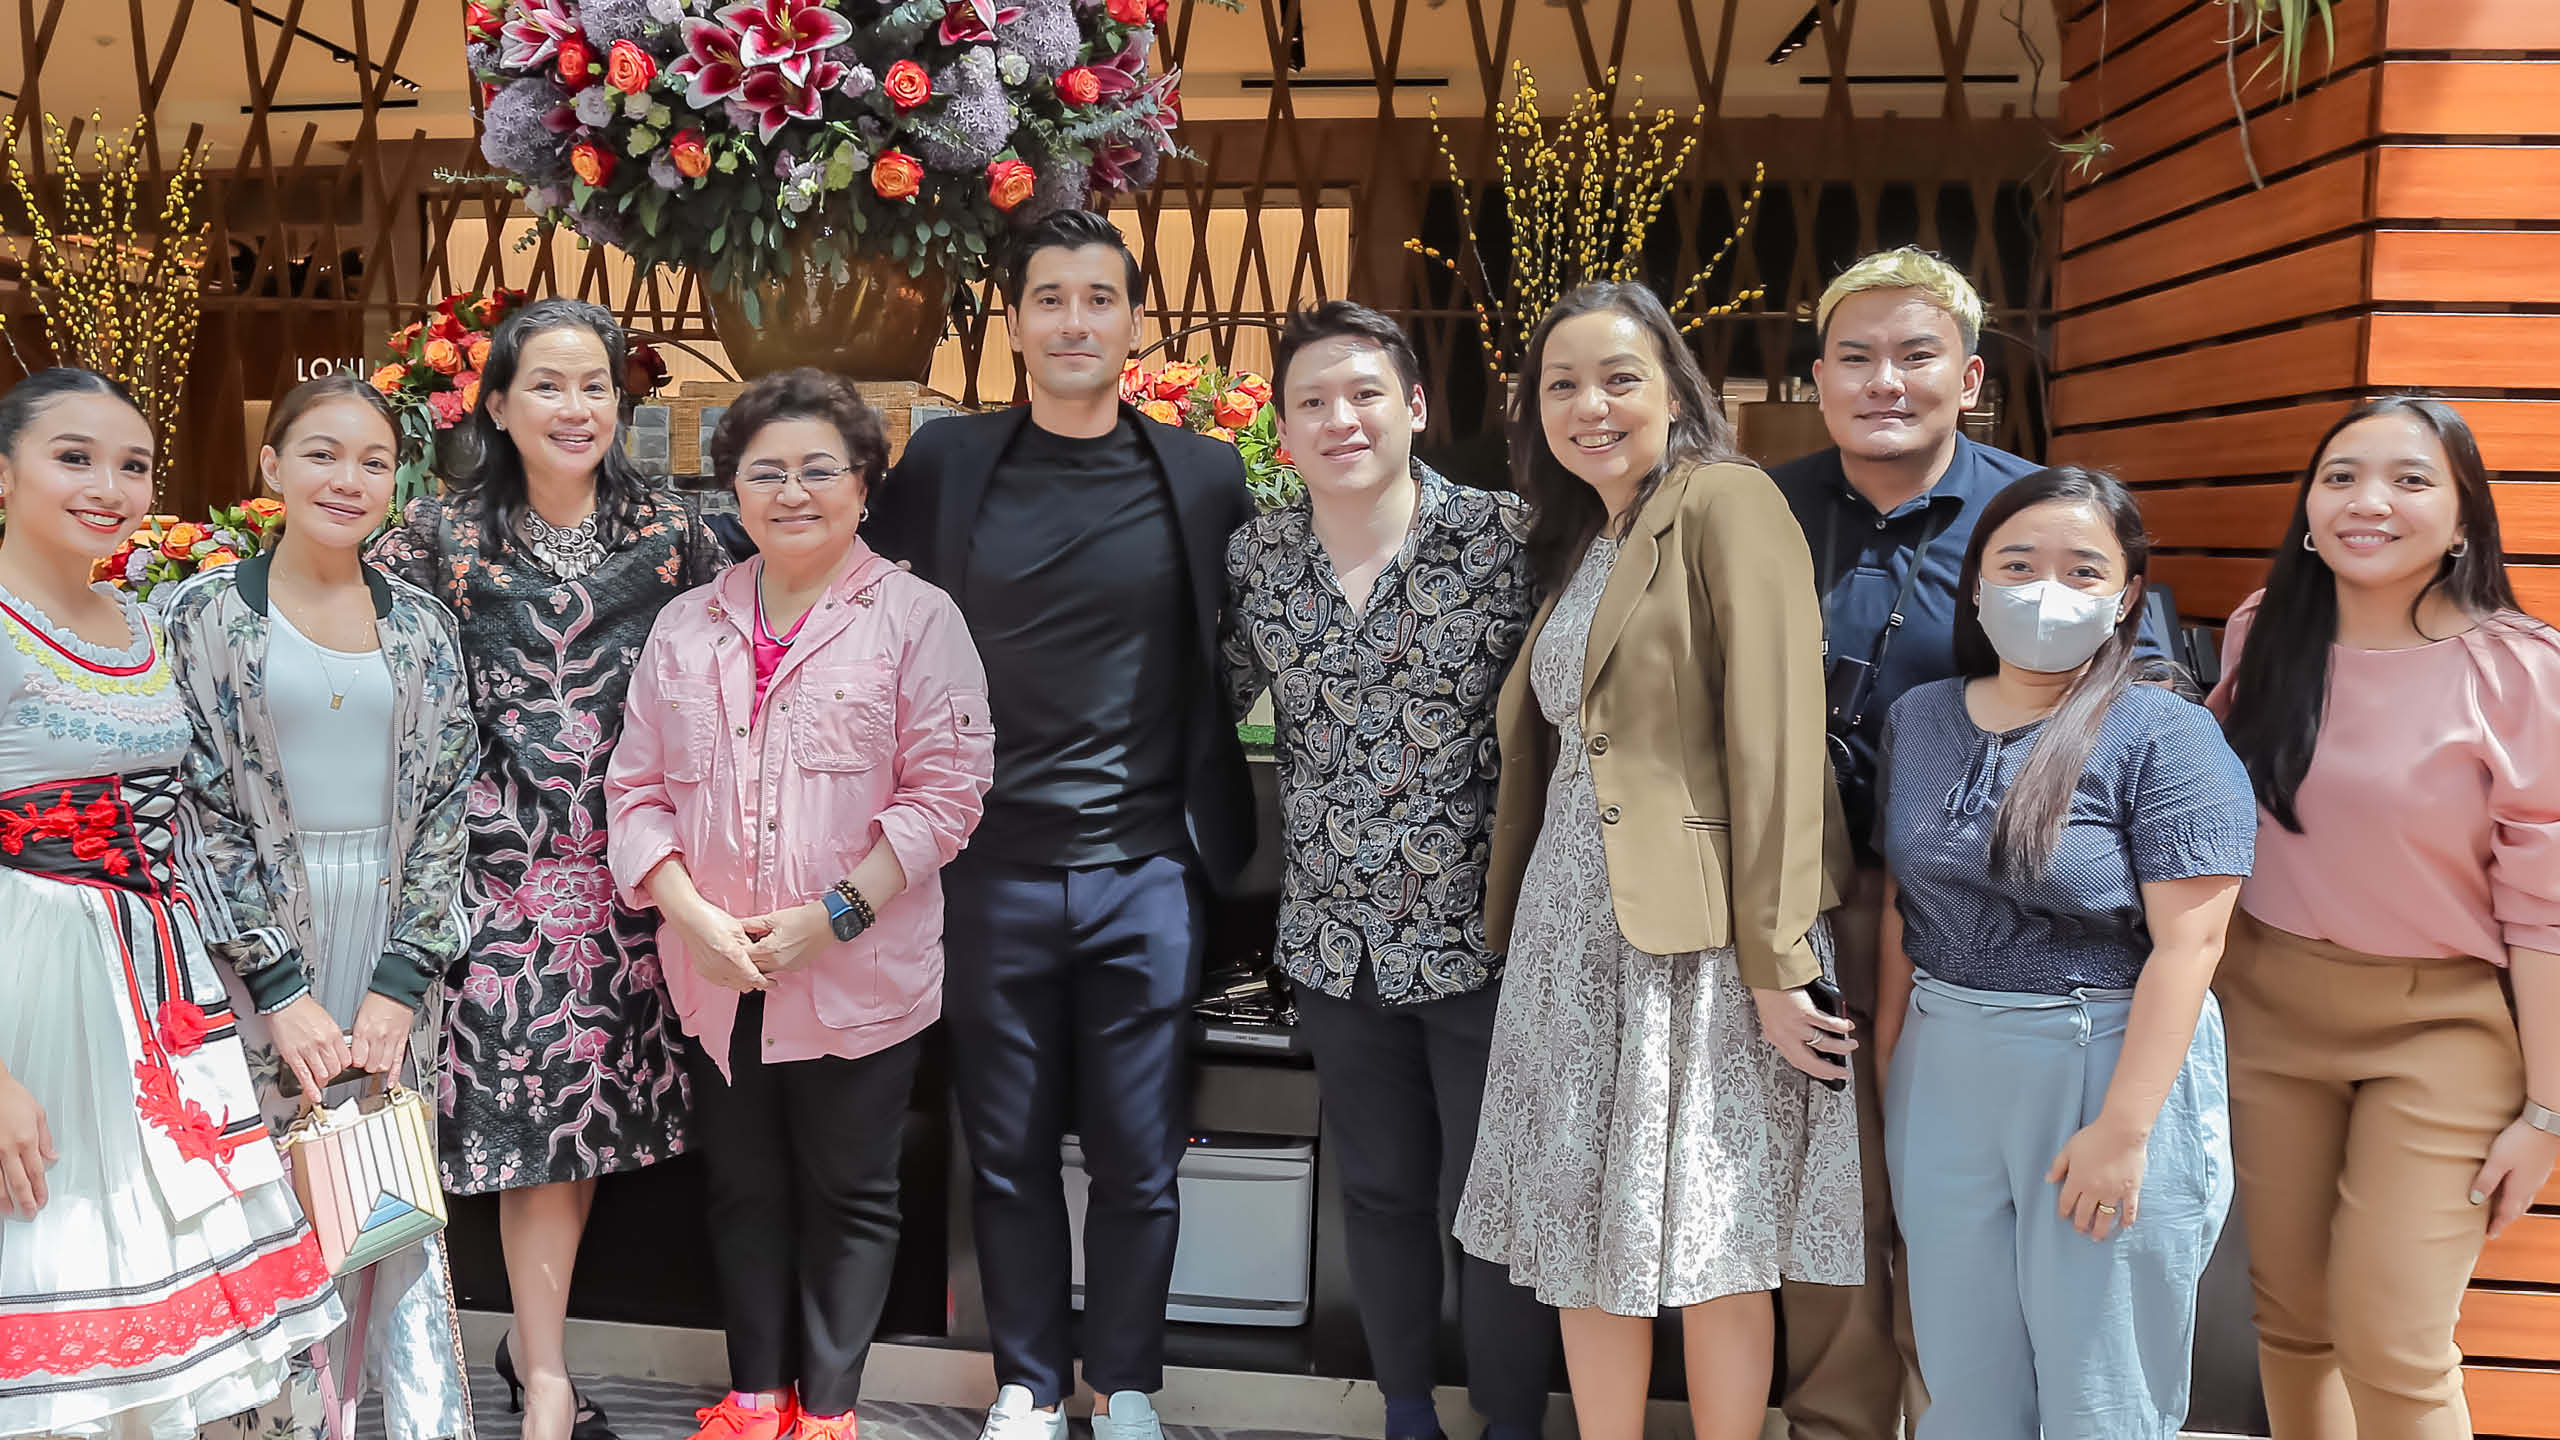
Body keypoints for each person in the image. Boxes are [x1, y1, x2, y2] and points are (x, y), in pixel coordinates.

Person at [1764, 246, 2174, 1440]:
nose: (1882, 381)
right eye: (1854, 357)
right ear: (1817, 378)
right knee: (1831, 1194)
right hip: (1794, 905)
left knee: (1964, 1215)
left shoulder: (2033, 516)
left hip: (1974, 923)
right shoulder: (1757, 511)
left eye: (1915, 355)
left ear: (1971, 376)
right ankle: (1837, 1423)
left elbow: (2140, 686)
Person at [864, 209, 1255, 1440]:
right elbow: (867, 611)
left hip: (1148, 869)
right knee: (1006, 1149)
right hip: (987, 869)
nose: (1074, 321)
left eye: (1098, 298)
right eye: (1049, 299)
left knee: (1141, 1155)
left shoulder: (1204, 475)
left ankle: (1125, 1384)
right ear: (1016, 321)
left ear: (1134, 320)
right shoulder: (949, 463)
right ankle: (1028, 1383)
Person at [1451, 281, 1863, 1440]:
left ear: (1676, 393)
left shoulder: (1725, 501)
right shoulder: (1593, 535)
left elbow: (1777, 738)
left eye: (1618, 379)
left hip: (1701, 943)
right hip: (1571, 939)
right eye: (1561, 385)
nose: (1590, 405)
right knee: (1581, 1236)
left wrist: (1775, 962)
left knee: (1714, 1236)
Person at [606, 370, 995, 1440]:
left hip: (858, 970)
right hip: (717, 970)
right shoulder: (687, 626)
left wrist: (833, 918)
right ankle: (751, 1400)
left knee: (850, 1193)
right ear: (731, 490)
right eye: (764, 471)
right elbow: (635, 791)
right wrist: (690, 918)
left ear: (864, 484)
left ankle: (826, 1414)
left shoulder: (917, 619)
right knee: (743, 1190)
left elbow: (947, 797)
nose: (792, 492)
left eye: (819, 469)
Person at [369, 298, 732, 1440]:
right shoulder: (434, 538)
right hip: (488, 879)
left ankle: (536, 1362)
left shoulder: (674, 535)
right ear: (496, 404)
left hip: (630, 879)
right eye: (547, 385)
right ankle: (545, 1382)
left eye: (595, 387)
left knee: (572, 1127)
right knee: (527, 1118)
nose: (575, 409)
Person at [1219, 301, 1558, 1440]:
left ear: (1413, 406)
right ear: (1281, 429)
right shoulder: (1260, 557)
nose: (1341, 419)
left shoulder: (1508, 539)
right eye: (1311, 401)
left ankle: (1510, 1422)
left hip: (1487, 939)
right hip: (1334, 941)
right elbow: (1208, 699)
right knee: (1378, 1192)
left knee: (1493, 1206)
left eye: (1364, 394)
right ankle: (1405, 1412)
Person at [1872, 466, 2254, 1440]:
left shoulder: (2165, 734)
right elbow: (1902, 908)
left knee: (2100, 1386)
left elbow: (2192, 942)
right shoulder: (1920, 718)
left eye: (2083, 570)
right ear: (1975, 582)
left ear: (2127, 596)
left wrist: (2123, 1132)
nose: (2047, 589)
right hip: (1944, 1062)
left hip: (2099, 1059)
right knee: (1963, 1381)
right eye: (2017, 564)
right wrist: (1892, 1075)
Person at [0, 368, 343, 1438]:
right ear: (3, 471)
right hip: (31, 982)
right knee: (51, 1257)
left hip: (154, 983)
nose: (109, 487)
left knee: (157, 1285)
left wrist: (270, 984)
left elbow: (189, 825)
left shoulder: (139, 624)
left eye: (134, 465)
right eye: (74, 457)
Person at [2208, 397, 2560, 1439]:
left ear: (2461, 519)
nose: (2368, 501)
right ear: (2309, 512)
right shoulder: (2264, 630)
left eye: (2409, 480)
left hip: (2440, 1029)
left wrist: (2547, 1114)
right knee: (2292, 1320)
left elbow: (2545, 909)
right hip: (2265, 1006)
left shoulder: (2518, 669)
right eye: (2341, 477)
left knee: (2394, 1340)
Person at [164, 376, 479, 1440]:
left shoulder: (425, 628)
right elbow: (195, 807)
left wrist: (404, 980)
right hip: (253, 957)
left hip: (388, 946)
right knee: (264, 1205)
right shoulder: (204, 614)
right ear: (272, 467)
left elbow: (448, 806)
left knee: (384, 1200)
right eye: (322, 454)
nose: (349, 479)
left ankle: (411, 1422)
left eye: (373, 462)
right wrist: (278, 986)